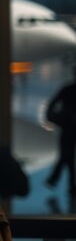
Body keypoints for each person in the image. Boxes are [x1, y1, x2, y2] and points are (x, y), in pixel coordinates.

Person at [45, 66, 76, 195]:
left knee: (66, 156)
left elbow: (52, 104)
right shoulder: (67, 90)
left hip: (67, 128)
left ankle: (56, 179)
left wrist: (54, 118)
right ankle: (61, 181)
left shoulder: (67, 90)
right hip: (69, 128)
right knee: (67, 157)